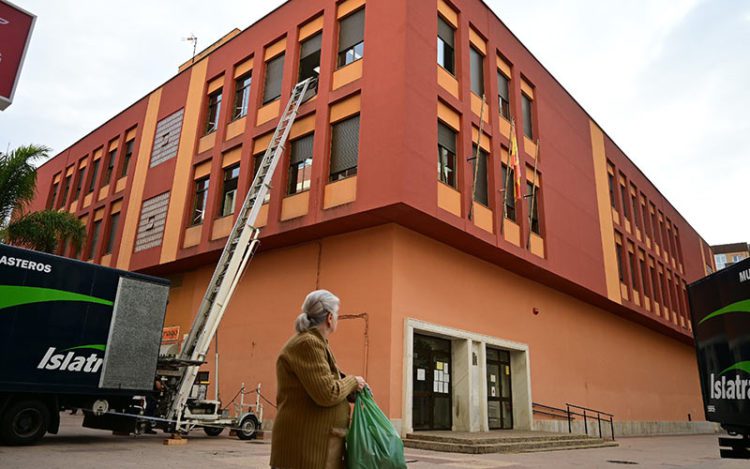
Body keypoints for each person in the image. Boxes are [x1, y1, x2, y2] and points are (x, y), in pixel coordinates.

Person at [270, 290, 366, 469]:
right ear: (330, 317)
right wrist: (353, 381)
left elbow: (327, 381)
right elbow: (327, 392)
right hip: (304, 451)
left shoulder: (316, 343)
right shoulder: (308, 344)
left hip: (315, 447)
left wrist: (352, 390)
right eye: (337, 314)